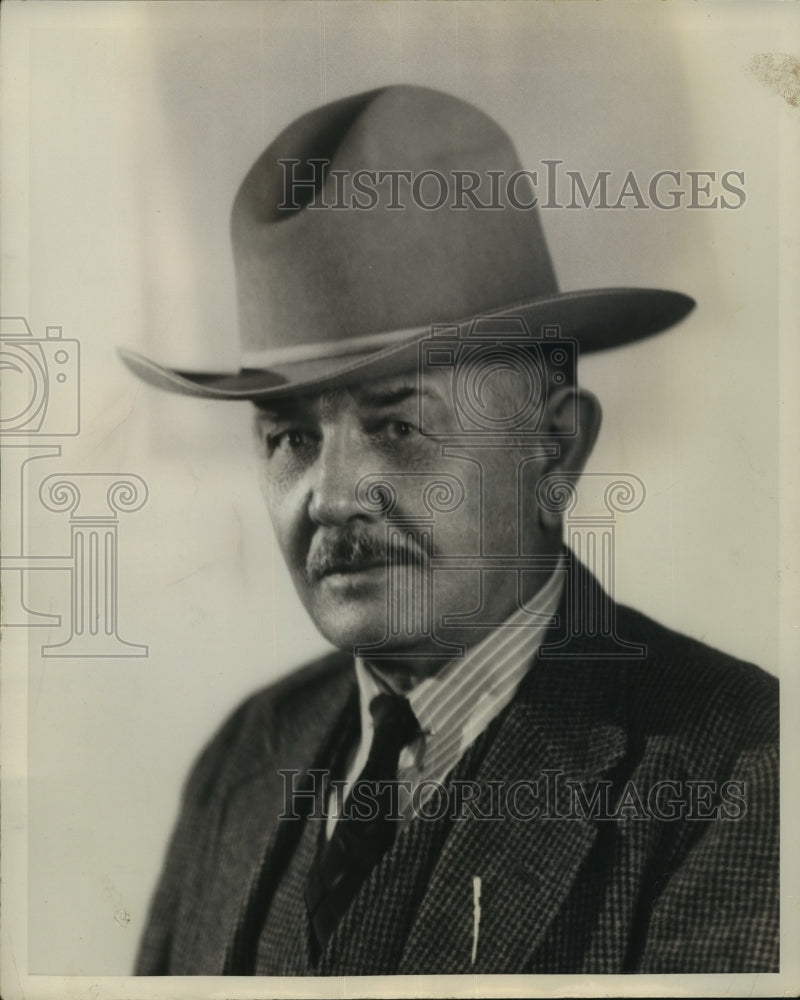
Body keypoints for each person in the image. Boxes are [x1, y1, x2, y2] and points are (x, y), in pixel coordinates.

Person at [120, 85, 778, 976]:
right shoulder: (246, 758)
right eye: (291, 437)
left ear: (554, 451)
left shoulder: (746, 773)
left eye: (398, 427)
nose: (333, 495)